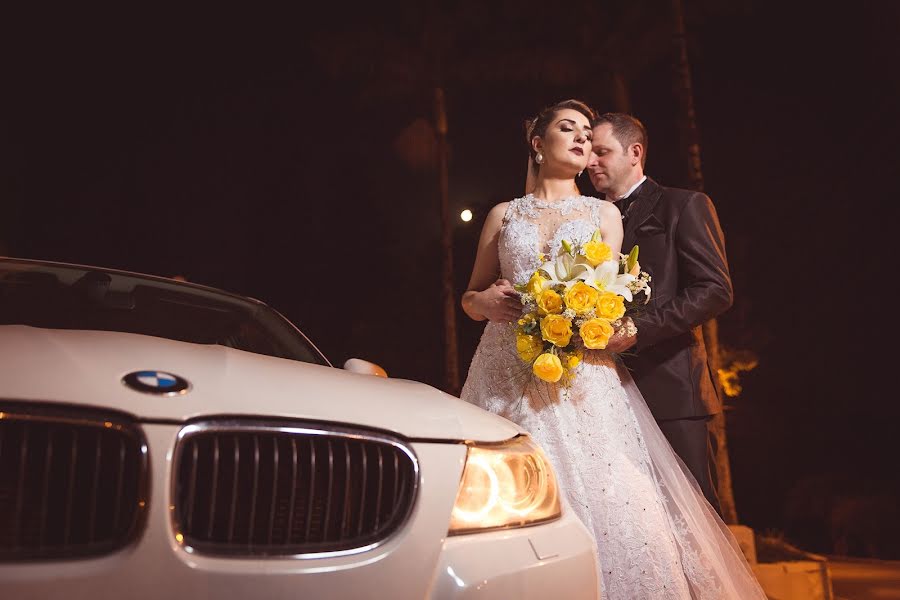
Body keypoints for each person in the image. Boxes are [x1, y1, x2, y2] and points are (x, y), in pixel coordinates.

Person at [459, 99, 764, 599]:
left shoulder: (612, 214)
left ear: (634, 153)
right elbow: (469, 297)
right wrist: (482, 302)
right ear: (537, 144)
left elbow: (668, 292)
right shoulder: (503, 214)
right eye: (570, 129)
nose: (583, 143)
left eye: (592, 137)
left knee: (633, 508)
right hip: (506, 370)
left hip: (598, 376)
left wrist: (606, 324)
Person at [586, 113, 731, 514]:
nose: (590, 162)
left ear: (634, 153)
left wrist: (638, 328)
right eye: (589, 153)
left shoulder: (683, 205)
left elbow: (715, 290)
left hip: (673, 393)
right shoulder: (583, 223)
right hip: (601, 397)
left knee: (695, 521)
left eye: (602, 152)